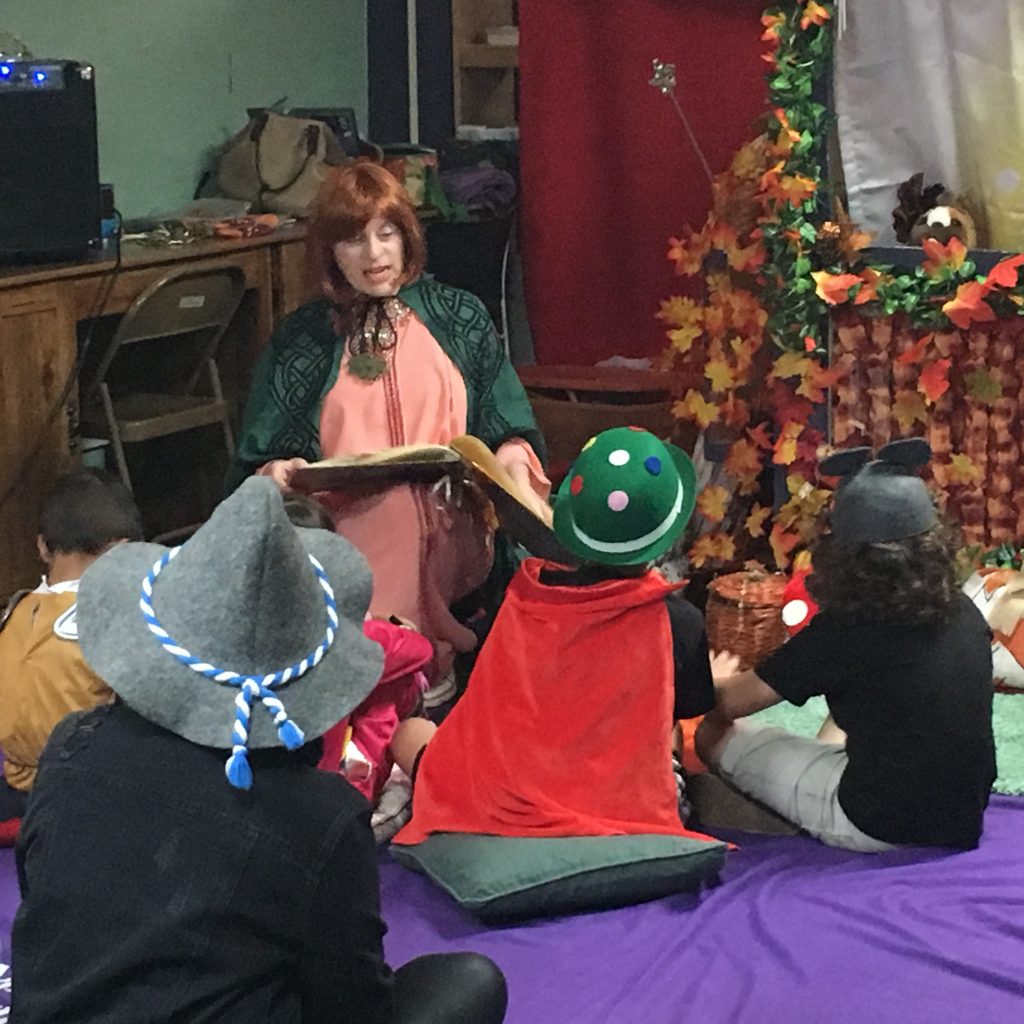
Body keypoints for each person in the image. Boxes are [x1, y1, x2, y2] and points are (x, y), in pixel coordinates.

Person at [11, 477, 508, 1024]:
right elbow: (352, 1006)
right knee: (468, 982)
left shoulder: (71, 749)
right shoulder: (319, 816)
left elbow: (46, 925)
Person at [228, 163, 549, 689]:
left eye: (386, 233)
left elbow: (504, 421)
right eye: (354, 240)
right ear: (330, 252)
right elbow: (263, 455)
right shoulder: (302, 339)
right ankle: (398, 667)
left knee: (402, 513)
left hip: (455, 510)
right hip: (339, 520)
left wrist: (513, 457)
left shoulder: (458, 316)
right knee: (382, 518)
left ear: (407, 237)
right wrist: (279, 469)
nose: (375, 255)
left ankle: (395, 670)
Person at [395, 427, 718, 845]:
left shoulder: (524, 596)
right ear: (666, 534)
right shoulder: (681, 622)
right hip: (619, 808)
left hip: (506, 795)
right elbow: (689, 710)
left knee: (408, 732)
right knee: (675, 761)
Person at [695, 439, 996, 852]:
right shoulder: (965, 611)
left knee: (711, 734)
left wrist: (716, 680)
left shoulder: (844, 631)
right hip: (963, 819)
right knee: (867, 706)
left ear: (844, 555)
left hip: (879, 825)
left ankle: (796, 809)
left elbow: (728, 704)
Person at [0, 467, 143, 822]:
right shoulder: (113, 616)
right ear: (122, 550)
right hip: (91, 787)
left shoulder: (15, 612)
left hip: (18, 785)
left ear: (43, 546)